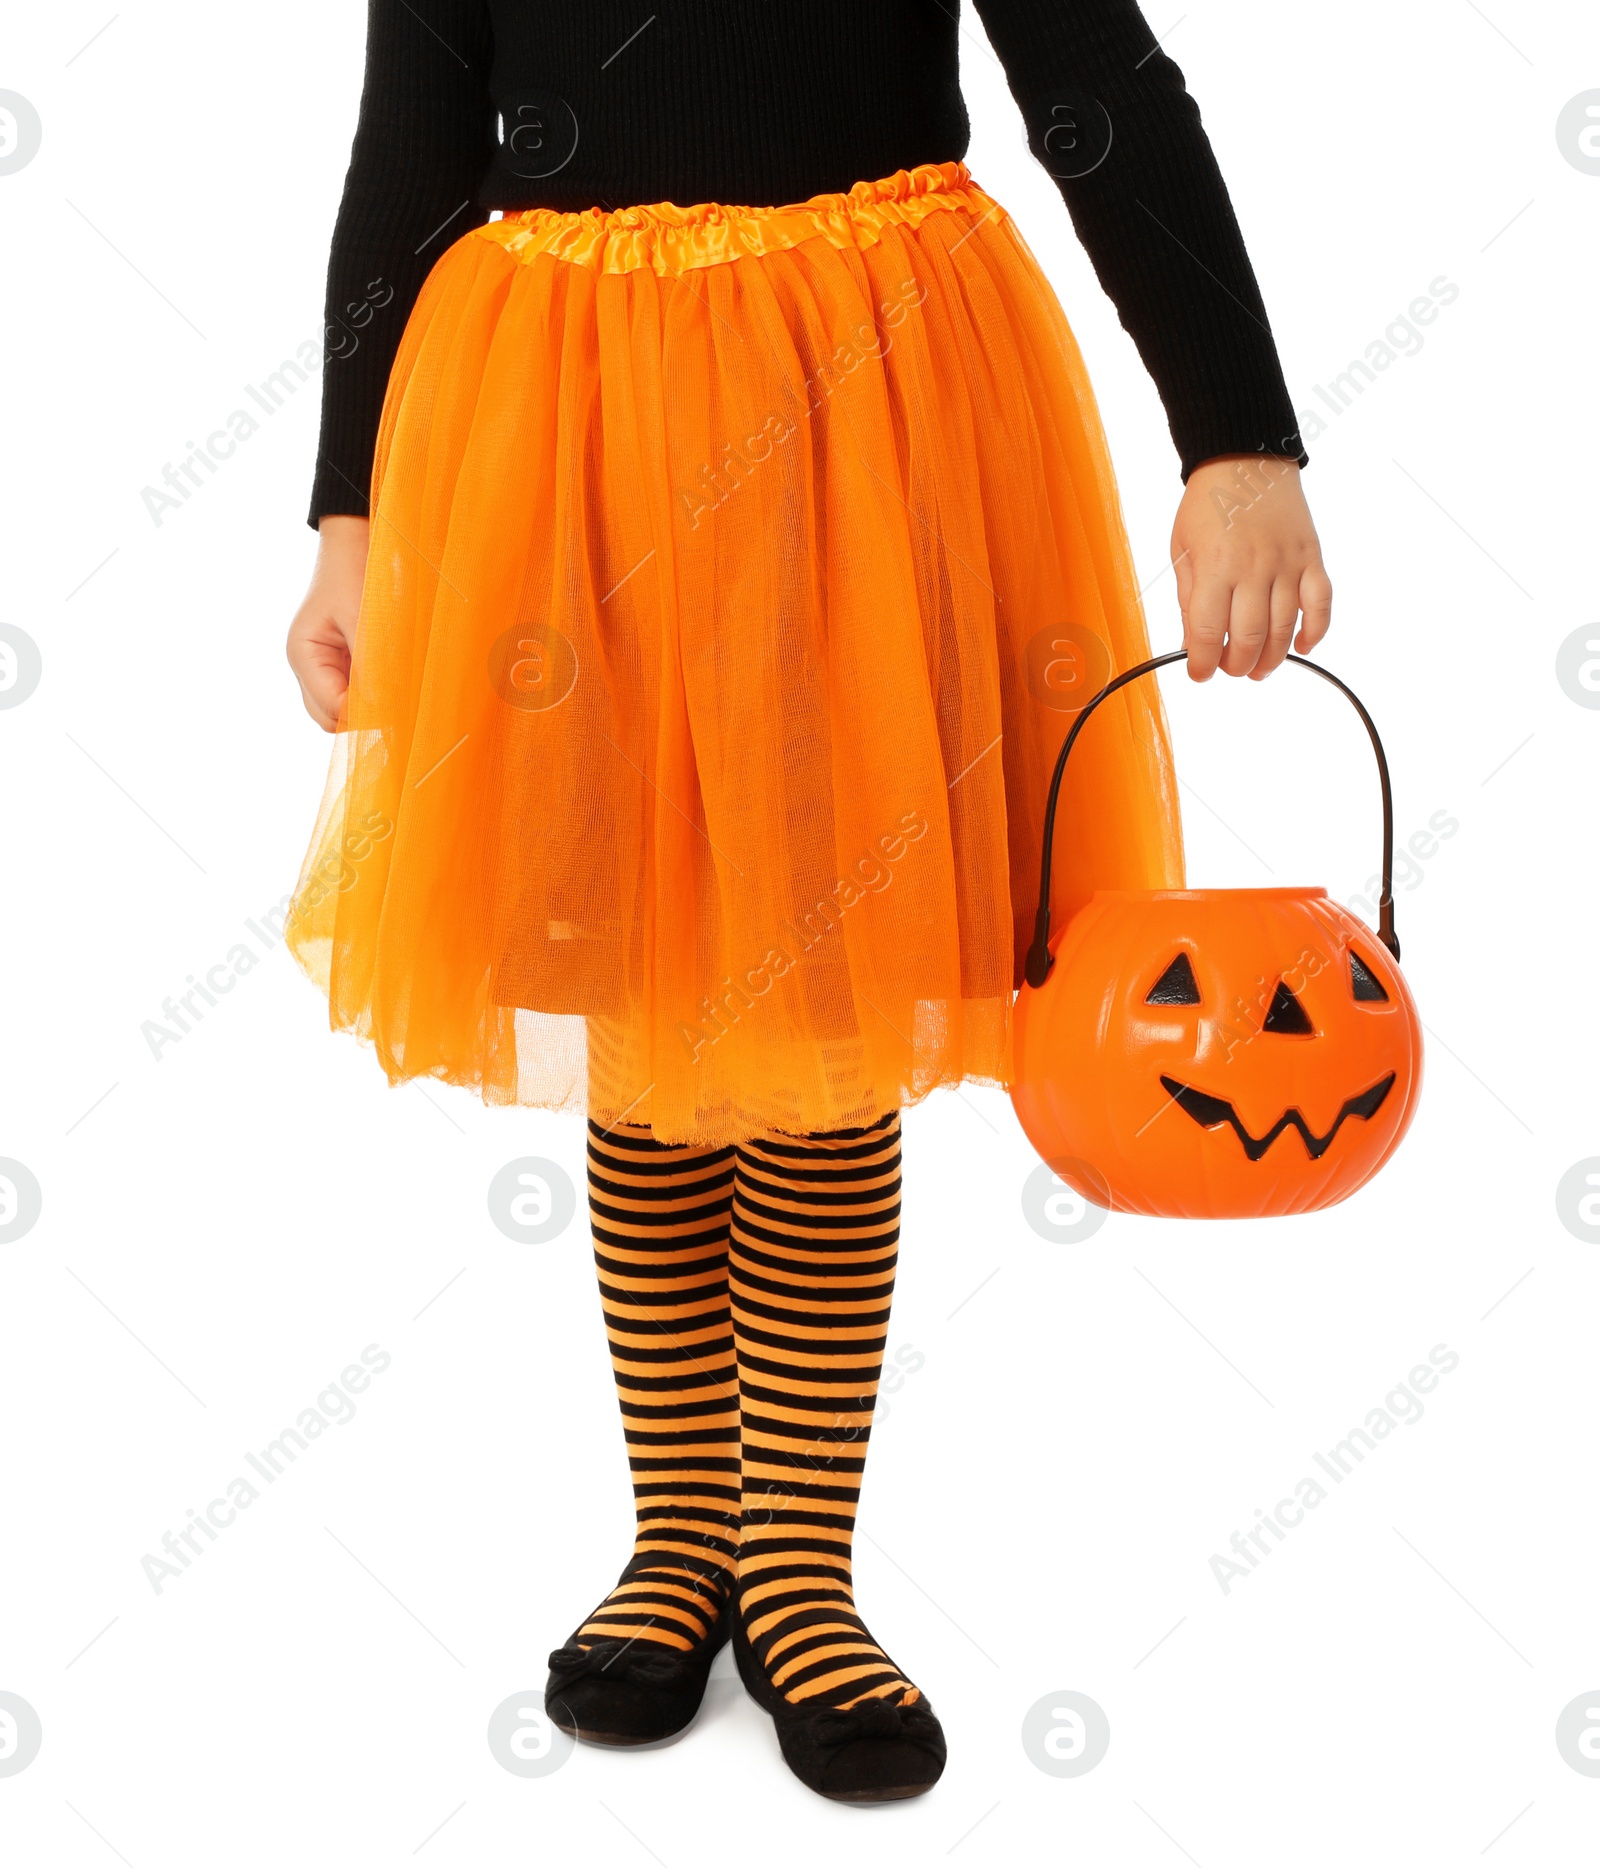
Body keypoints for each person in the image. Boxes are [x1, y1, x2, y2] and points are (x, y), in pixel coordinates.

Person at [283, 0, 1330, 1803]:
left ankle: (799, 1565)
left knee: (827, 987)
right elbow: (407, 148)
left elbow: (1096, 86)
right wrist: (350, 515)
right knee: (634, 989)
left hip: (866, 406)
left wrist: (1238, 437)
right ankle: (682, 1536)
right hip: (568, 424)